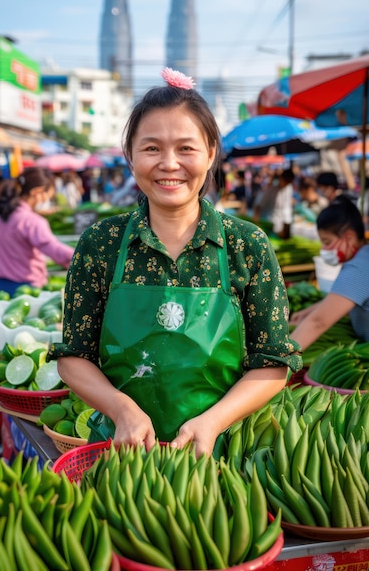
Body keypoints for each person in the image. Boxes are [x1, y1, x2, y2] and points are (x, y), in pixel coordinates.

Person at [48, 67, 302, 458]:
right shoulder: (101, 244)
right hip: (123, 452)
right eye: (151, 148)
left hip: (226, 453)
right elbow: (73, 358)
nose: (169, 164)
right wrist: (122, 409)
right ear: (131, 156)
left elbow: (272, 362)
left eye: (186, 148)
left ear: (211, 153)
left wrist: (213, 422)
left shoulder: (246, 245)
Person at [290, 196, 369, 347]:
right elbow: (342, 298)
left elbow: (318, 323)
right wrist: (309, 311)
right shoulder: (367, 254)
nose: (323, 249)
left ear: (349, 238)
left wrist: (280, 359)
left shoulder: (358, 269)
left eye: (327, 242)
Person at [0, 168, 75, 295]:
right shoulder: (32, 221)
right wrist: (80, 255)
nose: (45, 201)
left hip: (2, 287)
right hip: (28, 291)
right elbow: (52, 248)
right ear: (36, 192)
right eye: (46, 197)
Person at [271, 168, 295, 239]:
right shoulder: (272, 190)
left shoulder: (289, 188)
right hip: (274, 222)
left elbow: (286, 206)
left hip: (285, 221)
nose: (286, 184)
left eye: (288, 182)